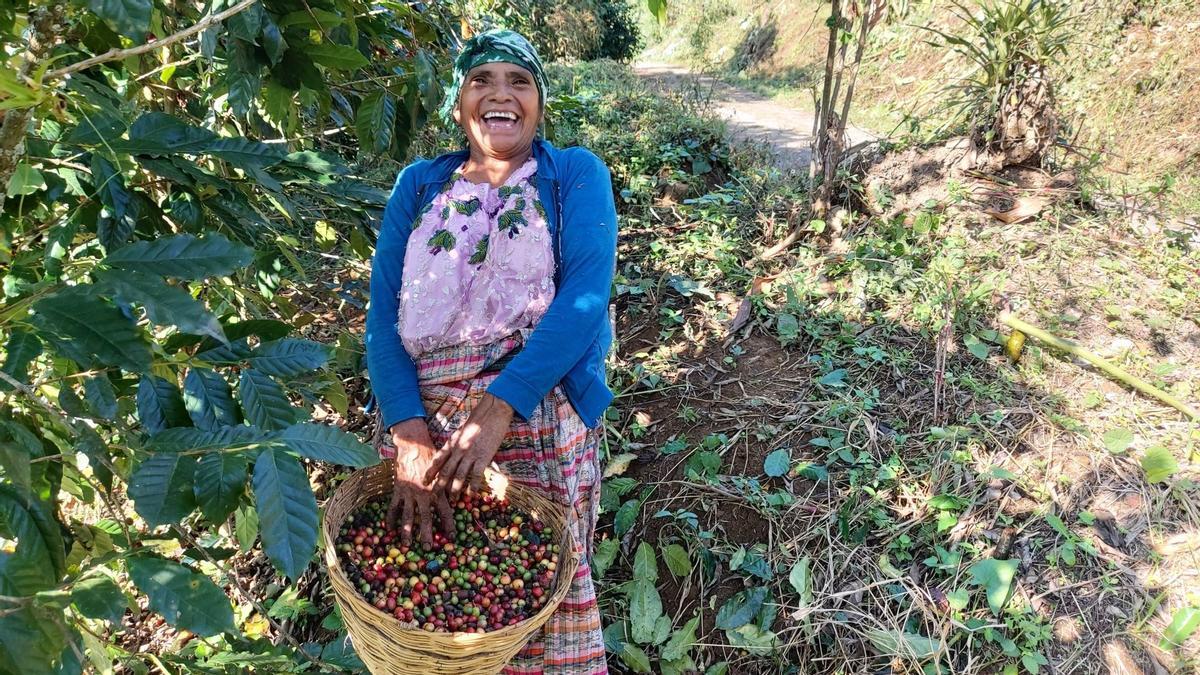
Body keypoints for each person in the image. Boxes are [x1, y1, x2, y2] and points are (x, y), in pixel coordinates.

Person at [364, 29, 616, 674]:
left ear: (540, 103)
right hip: (425, 421)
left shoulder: (573, 174)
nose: (500, 95)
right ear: (458, 104)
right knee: (432, 586)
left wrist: (501, 406)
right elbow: (382, 319)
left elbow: (585, 298)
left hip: (535, 407)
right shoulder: (419, 184)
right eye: (482, 81)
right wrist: (408, 434)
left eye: (519, 82)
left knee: (535, 583)